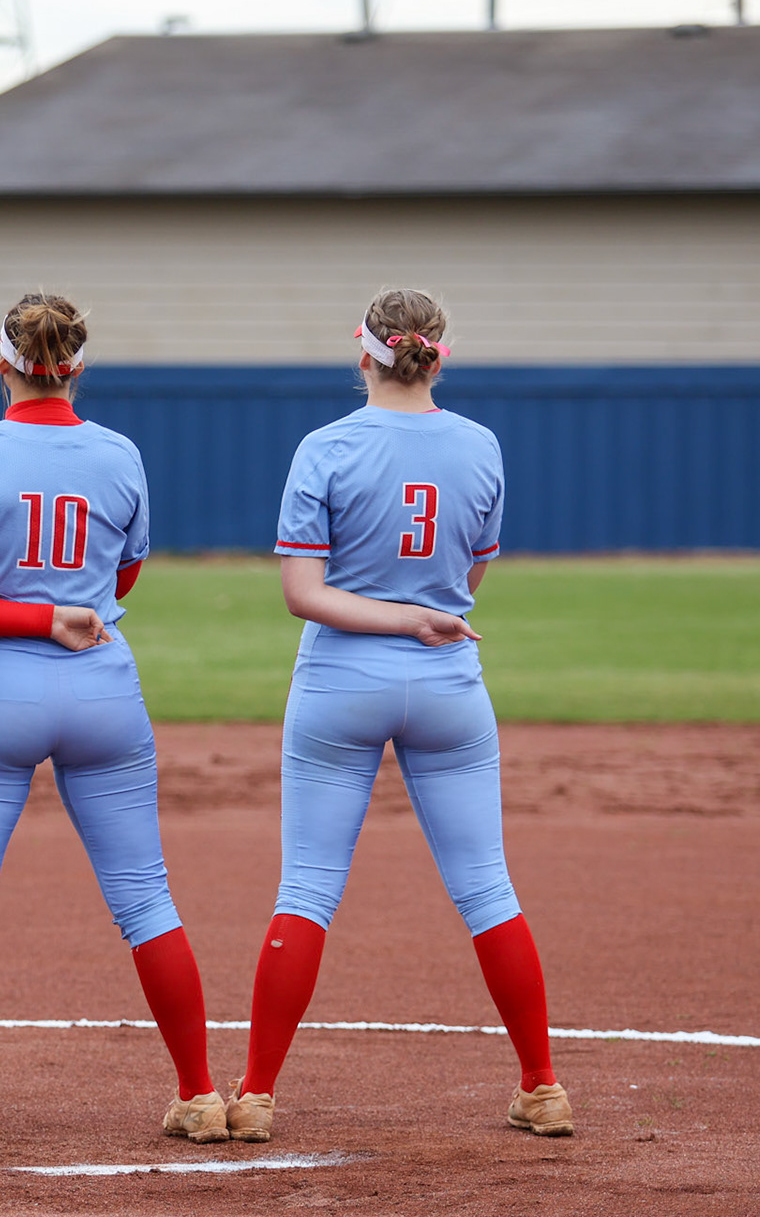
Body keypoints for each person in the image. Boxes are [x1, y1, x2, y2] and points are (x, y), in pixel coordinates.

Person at [0, 292, 225, 1155]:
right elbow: (122, 578)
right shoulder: (120, 455)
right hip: (102, 685)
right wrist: (66, 611)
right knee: (146, 899)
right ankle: (201, 1095)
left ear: (5, 365)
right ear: (76, 366)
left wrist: (30, 616)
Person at [226, 288, 571, 1142]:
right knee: (487, 887)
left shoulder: (326, 446)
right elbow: (468, 580)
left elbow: (303, 594)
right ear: (435, 355)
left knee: (306, 889)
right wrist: (423, 615)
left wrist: (395, 614)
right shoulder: (480, 444)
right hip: (451, 680)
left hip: (341, 680)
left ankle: (258, 1093)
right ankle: (543, 1087)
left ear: (366, 355)